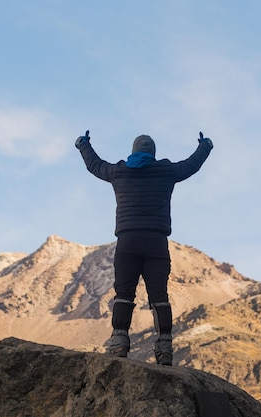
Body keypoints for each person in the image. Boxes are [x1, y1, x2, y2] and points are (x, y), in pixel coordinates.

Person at [75, 130, 213, 366]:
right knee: (159, 295)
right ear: (153, 153)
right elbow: (191, 165)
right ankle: (165, 349)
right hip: (156, 242)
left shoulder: (119, 172)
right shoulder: (166, 171)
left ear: (133, 152)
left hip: (127, 241)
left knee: (124, 294)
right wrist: (205, 146)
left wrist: (83, 145)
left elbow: (95, 166)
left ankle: (119, 344)